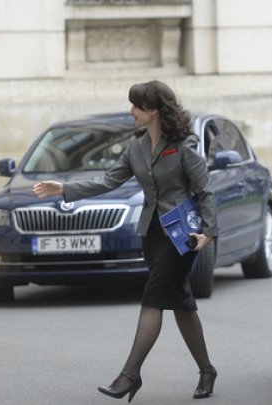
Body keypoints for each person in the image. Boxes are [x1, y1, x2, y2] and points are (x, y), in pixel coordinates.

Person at [32, 80, 219, 401]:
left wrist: (209, 233)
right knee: (181, 303)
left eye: (137, 106)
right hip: (152, 236)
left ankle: (129, 375)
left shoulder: (184, 144)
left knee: (153, 298)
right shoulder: (135, 147)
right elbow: (108, 180)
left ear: (155, 110)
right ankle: (207, 370)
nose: (131, 111)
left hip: (182, 237)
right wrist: (63, 188)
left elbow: (205, 191)